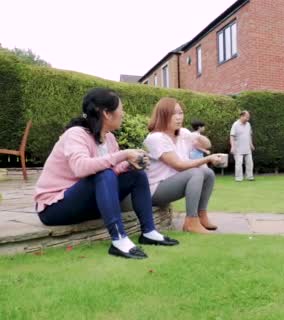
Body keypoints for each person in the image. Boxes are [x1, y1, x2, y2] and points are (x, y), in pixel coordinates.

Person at [34, 88, 178, 260]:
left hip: (86, 202)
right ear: (107, 114)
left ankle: (149, 231)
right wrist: (123, 155)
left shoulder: (109, 138)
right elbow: (81, 168)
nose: (123, 113)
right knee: (104, 174)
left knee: (137, 175)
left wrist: (129, 164)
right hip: (55, 207)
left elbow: (112, 170)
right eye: (121, 109)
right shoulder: (75, 134)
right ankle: (119, 239)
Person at [144, 98, 224, 234]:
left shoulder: (182, 133)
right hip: (155, 189)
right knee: (196, 172)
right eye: (174, 114)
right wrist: (208, 159)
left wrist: (196, 136)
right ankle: (191, 222)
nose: (179, 117)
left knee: (208, 174)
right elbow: (179, 166)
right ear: (163, 115)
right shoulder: (156, 138)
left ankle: (201, 216)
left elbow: (207, 145)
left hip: (172, 183)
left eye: (181, 113)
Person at [230, 110, 255, 181]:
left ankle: (249, 177)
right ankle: (238, 178)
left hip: (247, 148)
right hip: (238, 148)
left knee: (250, 163)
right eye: (246, 117)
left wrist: (251, 144)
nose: (248, 119)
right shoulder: (235, 124)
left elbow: (249, 135)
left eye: (248, 117)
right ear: (241, 116)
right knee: (238, 164)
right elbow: (232, 136)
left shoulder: (248, 124)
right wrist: (232, 146)